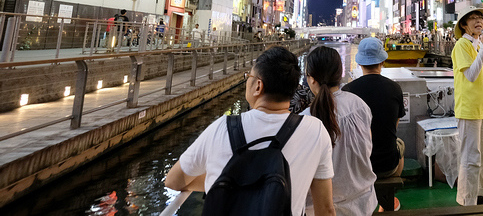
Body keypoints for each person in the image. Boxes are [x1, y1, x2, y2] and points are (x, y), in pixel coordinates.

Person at [165, 47, 336, 216]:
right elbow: (325, 209)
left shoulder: (222, 127)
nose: (247, 80)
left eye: (249, 77)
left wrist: (219, 181)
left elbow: (173, 180)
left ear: (258, 86)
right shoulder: (316, 130)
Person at [303, 46, 377, 215]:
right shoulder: (359, 105)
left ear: (312, 79)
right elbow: (367, 148)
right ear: (340, 74)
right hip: (364, 202)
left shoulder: (305, 119)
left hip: (318, 209)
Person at [450, 6, 483, 208]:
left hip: (482, 110)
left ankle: (482, 194)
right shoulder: (462, 46)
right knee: (470, 158)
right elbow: (471, 76)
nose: (478, 21)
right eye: (472, 18)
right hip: (468, 110)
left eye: (480, 18)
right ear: (464, 25)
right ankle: (467, 202)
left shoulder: (479, 46)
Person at [342, 38, 406, 180]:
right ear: (382, 61)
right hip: (387, 165)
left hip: (357, 166)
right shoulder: (395, 88)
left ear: (359, 63)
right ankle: (392, 193)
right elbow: (393, 128)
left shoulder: (348, 90)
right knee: (399, 143)